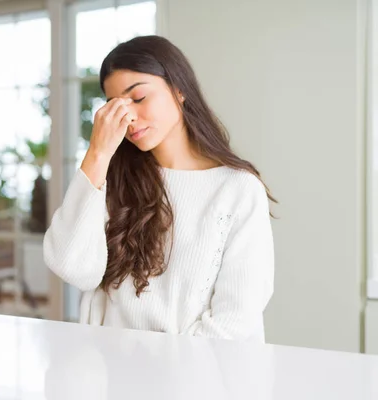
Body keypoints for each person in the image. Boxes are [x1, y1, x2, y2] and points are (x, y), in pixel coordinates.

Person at [43, 35, 276, 342]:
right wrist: (98, 153)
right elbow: (73, 268)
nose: (129, 117)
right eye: (116, 107)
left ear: (179, 90)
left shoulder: (238, 189)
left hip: (192, 382)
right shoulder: (107, 179)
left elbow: (236, 317)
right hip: (109, 375)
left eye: (138, 98)